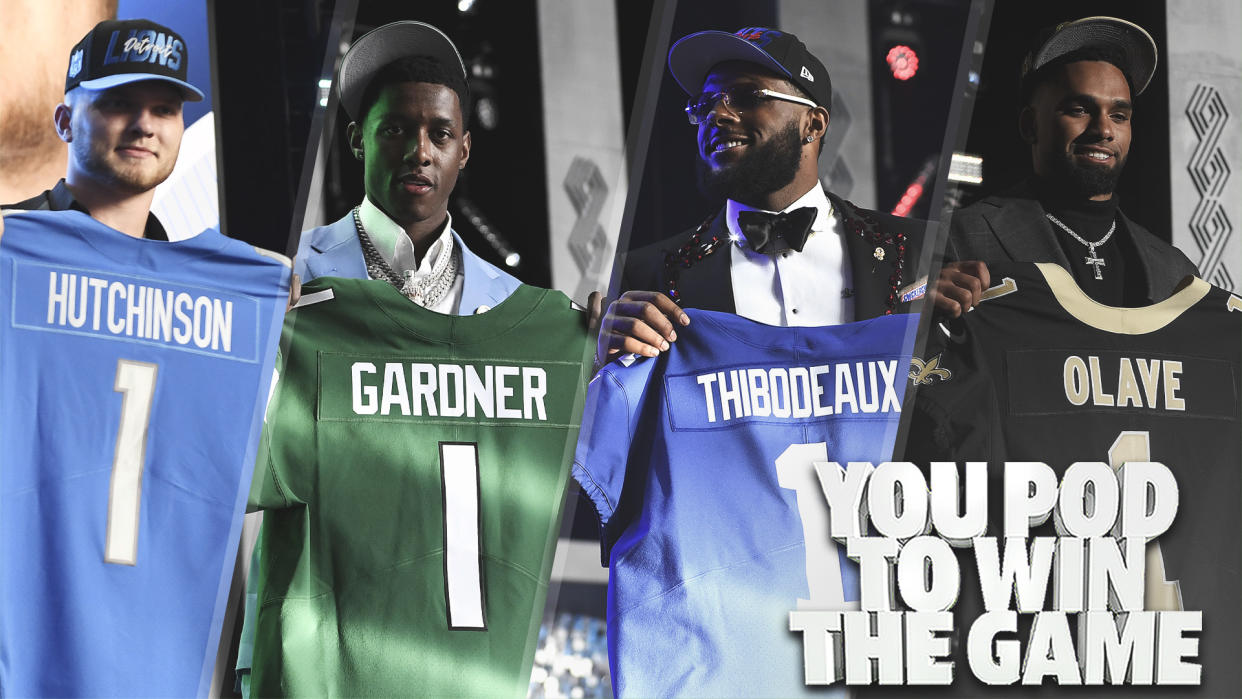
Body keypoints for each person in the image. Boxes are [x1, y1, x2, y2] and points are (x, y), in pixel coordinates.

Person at [596, 27, 927, 362]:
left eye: (746, 97)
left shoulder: (916, 250)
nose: (716, 115)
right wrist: (599, 364)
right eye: (704, 104)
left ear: (813, 124)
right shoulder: (645, 277)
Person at [936, 16, 1199, 316]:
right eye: (1079, 110)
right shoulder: (957, 237)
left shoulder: (1176, 271)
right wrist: (915, 311)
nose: (1104, 129)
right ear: (1030, 125)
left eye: (1119, 115)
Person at [293, 20, 518, 314]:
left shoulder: (507, 298)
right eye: (395, 130)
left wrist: (596, 350)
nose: (420, 153)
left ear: (463, 151)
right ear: (358, 140)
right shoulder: (290, 270)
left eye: (440, 134)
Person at [2, 17, 204, 241]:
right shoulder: (7, 240)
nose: (144, 126)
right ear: (65, 122)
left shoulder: (189, 270)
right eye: (119, 105)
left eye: (164, 110)